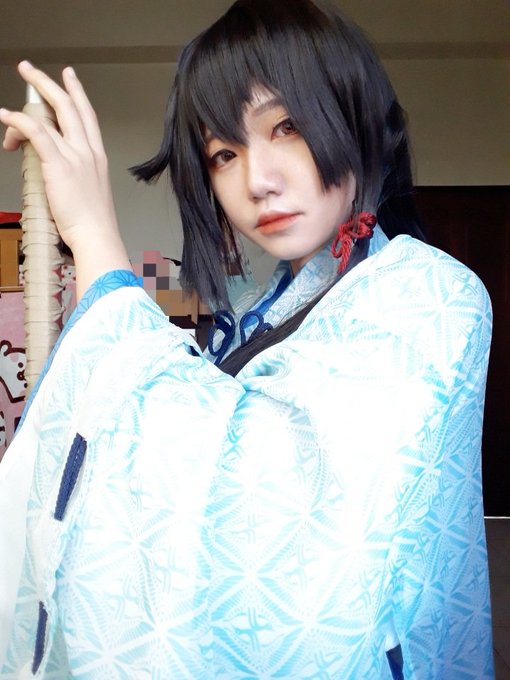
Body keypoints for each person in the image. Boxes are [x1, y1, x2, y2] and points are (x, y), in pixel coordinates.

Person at [0, 0, 493, 677]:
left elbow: (271, 512)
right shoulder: (259, 310)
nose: (257, 181)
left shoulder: (433, 296)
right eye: (224, 154)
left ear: (351, 114)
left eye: (286, 126)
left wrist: (93, 237)